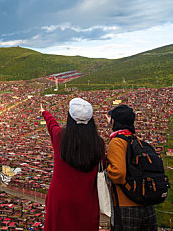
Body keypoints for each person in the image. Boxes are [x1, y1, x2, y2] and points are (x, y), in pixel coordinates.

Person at [40, 98, 105, 231]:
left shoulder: (60, 137)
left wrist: (44, 112)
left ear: (70, 117)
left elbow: (52, 125)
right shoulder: (99, 144)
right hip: (86, 201)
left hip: (60, 201)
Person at [106, 104, 157, 231]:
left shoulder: (117, 142)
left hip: (126, 205)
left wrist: (106, 170)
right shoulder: (138, 140)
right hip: (146, 203)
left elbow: (118, 174)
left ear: (115, 121)